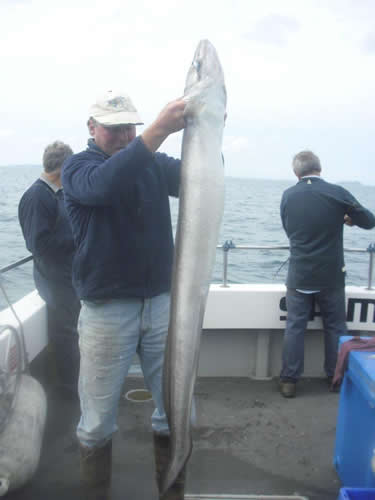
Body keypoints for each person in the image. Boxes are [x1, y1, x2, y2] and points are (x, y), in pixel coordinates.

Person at [61, 90, 186, 500]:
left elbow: (196, 175)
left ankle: (172, 492)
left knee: (178, 413)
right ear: (92, 128)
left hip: (162, 304)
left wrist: (208, 130)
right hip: (106, 310)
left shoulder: (148, 159)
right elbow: (105, 186)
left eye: (130, 127)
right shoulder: (78, 168)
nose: (124, 135)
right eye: (114, 128)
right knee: (97, 421)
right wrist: (157, 132)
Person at [279, 150, 375, 398]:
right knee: (335, 327)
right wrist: (349, 220)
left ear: (296, 172)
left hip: (299, 274)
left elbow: (289, 229)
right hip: (331, 276)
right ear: (319, 168)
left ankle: (289, 381)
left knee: (294, 327)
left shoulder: (288, 196)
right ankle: (335, 377)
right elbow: (369, 220)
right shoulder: (337, 193)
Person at [18, 141, 81, 398]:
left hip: (69, 279)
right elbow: (38, 245)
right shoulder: (37, 197)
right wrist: (79, 238)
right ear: (64, 168)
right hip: (55, 283)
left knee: (74, 332)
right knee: (66, 335)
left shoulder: (57, 194)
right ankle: (69, 391)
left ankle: (77, 385)